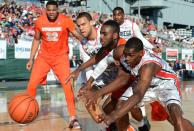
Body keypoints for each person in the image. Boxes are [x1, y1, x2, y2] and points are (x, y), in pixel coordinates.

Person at [84, 37, 194, 131]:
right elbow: (105, 62)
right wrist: (90, 82)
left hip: (165, 84)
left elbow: (137, 96)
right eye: (125, 55)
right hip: (143, 81)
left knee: (175, 114)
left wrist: (111, 117)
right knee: (120, 105)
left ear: (141, 54)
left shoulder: (148, 65)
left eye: (130, 55)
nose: (126, 59)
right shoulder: (121, 52)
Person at [26, 1, 84, 129]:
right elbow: (36, 39)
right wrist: (31, 59)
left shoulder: (66, 20)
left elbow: (76, 33)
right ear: (45, 10)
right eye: (49, 10)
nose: (51, 12)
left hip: (60, 57)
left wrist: (85, 41)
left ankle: (73, 117)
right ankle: (27, 112)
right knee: (31, 84)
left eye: (53, 10)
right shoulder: (40, 21)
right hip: (43, 57)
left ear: (58, 10)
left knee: (67, 86)